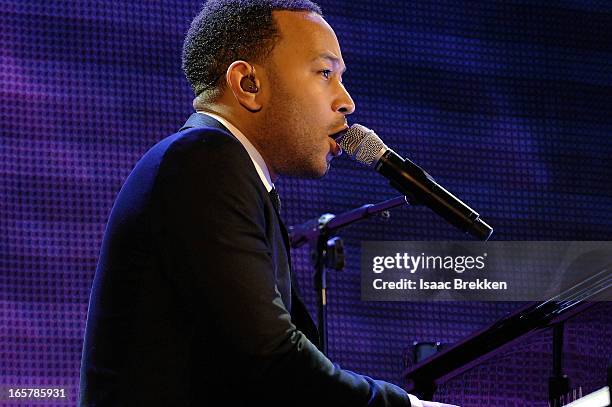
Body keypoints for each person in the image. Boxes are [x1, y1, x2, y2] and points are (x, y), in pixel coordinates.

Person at [79, 1, 457, 406]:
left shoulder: (225, 169)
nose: (346, 101)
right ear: (248, 84)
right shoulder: (202, 161)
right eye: (325, 73)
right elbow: (272, 360)